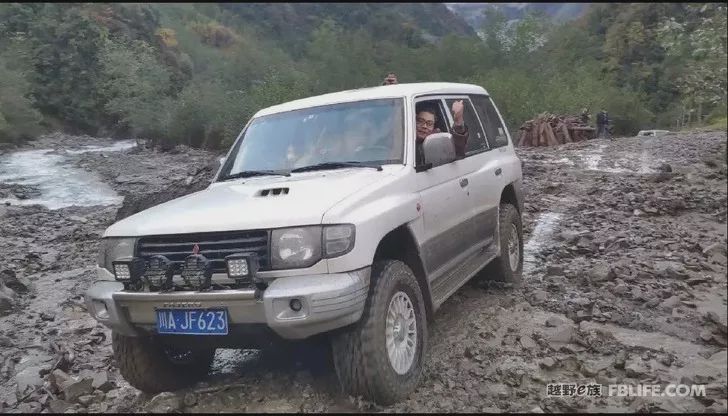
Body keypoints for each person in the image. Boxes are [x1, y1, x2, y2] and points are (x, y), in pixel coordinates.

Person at [415, 101, 468, 166]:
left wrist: (458, 121)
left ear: (434, 126)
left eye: (429, 124)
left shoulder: (439, 141)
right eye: (420, 121)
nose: (424, 126)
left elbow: (458, 153)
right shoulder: (402, 138)